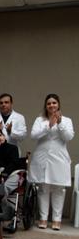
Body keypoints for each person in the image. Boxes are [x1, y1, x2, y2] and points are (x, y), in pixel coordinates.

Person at [29, 93, 74, 230]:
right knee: (43, 188)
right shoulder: (40, 120)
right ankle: (43, 218)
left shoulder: (66, 120)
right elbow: (34, 135)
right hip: (42, 157)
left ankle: (56, 219)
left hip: (59, 157)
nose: (51, 105)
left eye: (54, 103)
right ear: (46, 106)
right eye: (49, 103)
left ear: (58, 104)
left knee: (58, 189)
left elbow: (68, 137)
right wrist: (48, 125)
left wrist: (59, 124)